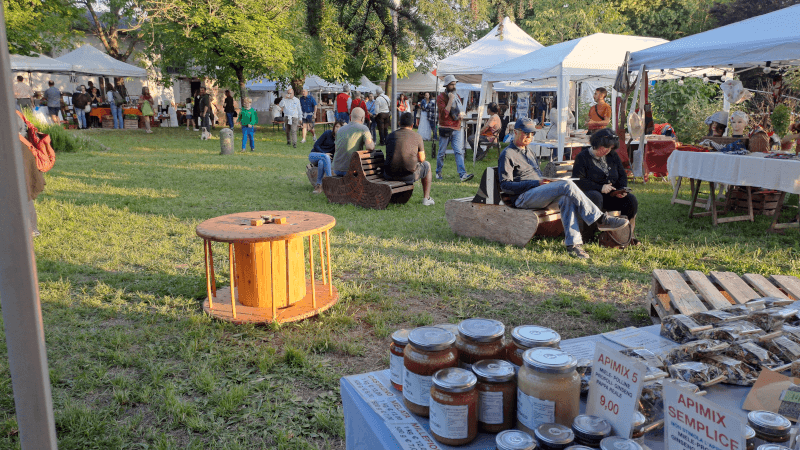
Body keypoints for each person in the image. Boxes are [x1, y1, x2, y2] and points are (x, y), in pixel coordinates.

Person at [498, 118, 629, 259]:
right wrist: (537, 184)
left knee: (567, 198)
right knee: (566, 185)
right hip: (523, 198)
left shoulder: (529, 151)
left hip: (537, 194)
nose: (529, 137)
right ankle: (601, 219)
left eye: (532, 134)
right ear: (515, 132)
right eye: (525, 133)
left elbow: (536, 176)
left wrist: (546, 182)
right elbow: (505, 185)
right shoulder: (507, 154)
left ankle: (573, 246)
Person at [572, 128, 639, 243]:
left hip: (611, 196)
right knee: (595, 196)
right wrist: (600, 188)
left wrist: (621, 190)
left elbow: (622, 175)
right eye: (604, 147)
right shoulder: (582, 157)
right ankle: (588, 235)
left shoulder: (612, 156)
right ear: (596, 143)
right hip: (590, 196)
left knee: (631, 200)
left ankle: (627, 235)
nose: (606, 151)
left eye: (609, 148)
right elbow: (578, 181)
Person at [384, 112, 434, 206]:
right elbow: (422, 159)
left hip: (388, 174)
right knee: (427, 165)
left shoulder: (390, 136)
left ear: (399, 124)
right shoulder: (417, 137)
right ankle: (426, 198)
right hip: (408, 175)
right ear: (412, 125)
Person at [435, 75, 473, 182]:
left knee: (459, 151)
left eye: (455, 84)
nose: (454, 86)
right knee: (442, 152)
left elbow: (459, 110)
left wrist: (461, 115)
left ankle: (462, 175)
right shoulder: (441, 97)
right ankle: (438, 172)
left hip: (456, 127)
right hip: (445, 127)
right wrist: (450, 100)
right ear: (446, 85)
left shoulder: (458, 96)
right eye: (452, 84)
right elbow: (445, 114)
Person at [332, 107, 374, 176]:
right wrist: (371, 141)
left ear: (350, 117)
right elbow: (370, 147)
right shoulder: (363, 128)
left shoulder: (340, 129)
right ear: (362, 118)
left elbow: (336, 148)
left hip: (336, 168)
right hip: (351, 169)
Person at [309, 120, 343, 194]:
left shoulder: (340, 140)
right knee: (325, 157)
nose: (338, 129)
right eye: (336, 126)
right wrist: (324, 153)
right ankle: (330, 183)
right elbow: (316, 145)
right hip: (314, 155)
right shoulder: (327, 133)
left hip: (324, 160)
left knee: (321, 163)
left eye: (340, 127)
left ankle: (319, 186)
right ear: (334, 127)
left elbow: (336, 154)